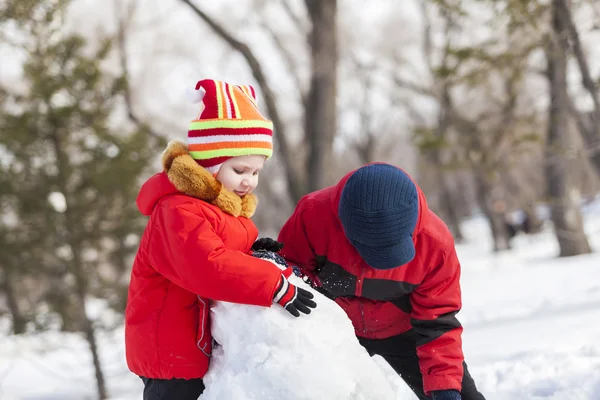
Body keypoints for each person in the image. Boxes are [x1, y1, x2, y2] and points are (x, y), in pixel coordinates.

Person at [124, 79, 316, 400]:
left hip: (188, 346)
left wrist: (251, 250)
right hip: (168, 350)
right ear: (211, 164)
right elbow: (206, 265)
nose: (249, 181)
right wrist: (273, 284)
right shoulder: (178, 209)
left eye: (255, 172)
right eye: (240, 169)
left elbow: (219, 246)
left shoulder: (219, 208)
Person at [277, 163, 485, 400]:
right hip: (336, 327)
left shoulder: (435, 244)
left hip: (404, 330)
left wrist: (445, 388)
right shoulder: (313, 215)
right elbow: (291, 276)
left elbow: (437, 322)